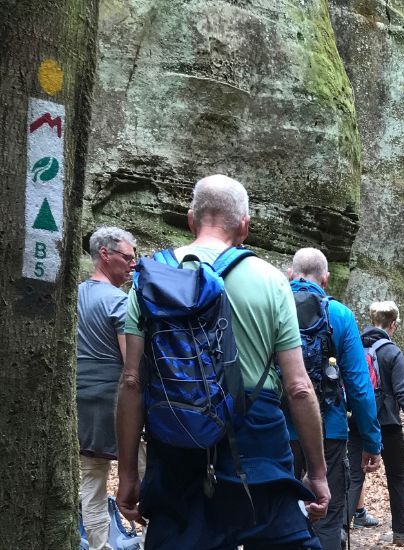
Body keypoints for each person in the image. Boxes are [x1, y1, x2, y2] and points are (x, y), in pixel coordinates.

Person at [116, 175, 329, 548]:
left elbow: (132, 383)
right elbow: (298, 387)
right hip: (258, 445)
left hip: (177, 444)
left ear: (191, 220)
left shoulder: (150, 280)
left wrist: (128, 474)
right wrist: (318, 473)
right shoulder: (272, 280)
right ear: (244, 226)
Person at [287, 248, 383, 550]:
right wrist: (372, 442)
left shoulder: (270, 307)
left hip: (277, 429)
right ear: (325, 279)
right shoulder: (339, 315)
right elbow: (359, 386)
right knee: (326, 515)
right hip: (328, 430)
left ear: (290, 274)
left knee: (278, 513)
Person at [347, 301, 404, 545]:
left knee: (355, 477)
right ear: (393, 324)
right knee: (395, 477)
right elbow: (402, 392)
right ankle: (400, 530)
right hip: (388, 423)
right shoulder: (393, 352)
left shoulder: (354, 348)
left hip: (358, 421)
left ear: (374, 321)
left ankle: (339, 532)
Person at [76, 226, 137, 550]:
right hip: (114, 405)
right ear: (104, 254)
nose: (132, 264)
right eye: (127, 257)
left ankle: (98, 546)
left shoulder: (74, 295)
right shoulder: (119, 302)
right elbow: (132, 367)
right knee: (141, 472)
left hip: (79, 401)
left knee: (92, 480)